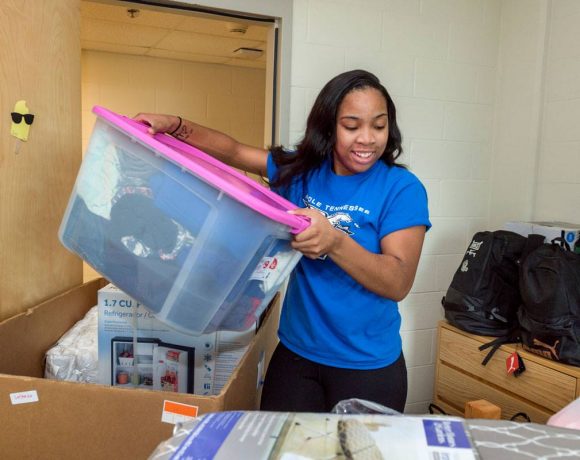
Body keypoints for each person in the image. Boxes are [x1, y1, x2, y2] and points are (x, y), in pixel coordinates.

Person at [134, 69, 431, 413]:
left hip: (367, 366)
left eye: (378, 126)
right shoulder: (301, 171)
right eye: (352, 126)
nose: (367, 139)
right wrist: (175, 125)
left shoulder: (402, 188)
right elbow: (233, 151)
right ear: (329, 126)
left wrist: (335, 242)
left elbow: (397, 281)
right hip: (296, 357)